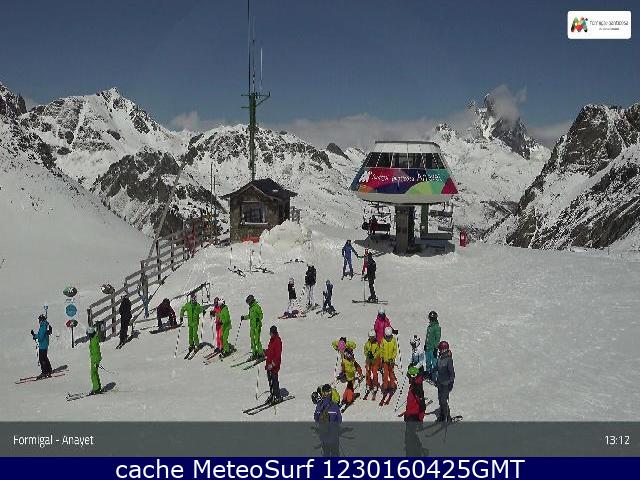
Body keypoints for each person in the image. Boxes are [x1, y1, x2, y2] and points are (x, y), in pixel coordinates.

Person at [313, 384, 342, 457]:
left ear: (322, 393)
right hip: (334, 436)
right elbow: (339, 420)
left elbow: (316, 418)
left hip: (323, 435)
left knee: (326, 454)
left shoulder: (319, 405)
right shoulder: (335, 405)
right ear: (330, 392)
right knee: (335, 454)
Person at [436, 340, 455, 423]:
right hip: (440, 382)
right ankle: (442, 415)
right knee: (440, 400)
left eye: (440, 349)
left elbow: (452, 373)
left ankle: (448, 417)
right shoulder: (440, 357)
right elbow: (437, 367)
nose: (439, 350)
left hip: (446, 384)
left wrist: (451, 383)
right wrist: (427, 373)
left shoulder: (448, 359)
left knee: (444, 401)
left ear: (444, 349)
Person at [264, 325, 283, 404]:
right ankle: (272, 394)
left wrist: (273, 364)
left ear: (274, 332)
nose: (270, 334)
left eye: (271, 333)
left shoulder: (278, 341)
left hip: (274, 366)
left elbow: (277, 355)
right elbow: (270, 350)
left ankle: (277, 396)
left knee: (274, 381)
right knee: (270, 381)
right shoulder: (272, 340)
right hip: (268, 364)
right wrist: (265, 352)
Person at [242, 295, 264, 360]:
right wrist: (244, 317)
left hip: (257, 326)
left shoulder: (256, 306)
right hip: (252, 326)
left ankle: (261, 353)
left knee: (257, 340)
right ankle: (254, 353)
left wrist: (258, 319)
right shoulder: (251, 308)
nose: (248, 303)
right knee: (252, 340)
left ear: (251, 301)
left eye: (248, 302)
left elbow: (261, 315)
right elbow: (250, 316)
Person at [31, 314, 52, 378]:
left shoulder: (43, 327)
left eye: (39, 320)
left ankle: (44, 372)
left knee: (42, 359)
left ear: (41, 320)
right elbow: (41, 334)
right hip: (45, 344)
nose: (39, 321)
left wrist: (36, 337)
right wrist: (35, 335)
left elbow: (40, 337)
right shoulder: (44, 326)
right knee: (45, 357)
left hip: (42, 345)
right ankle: (49, 370)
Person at [380, 326, 398, 395]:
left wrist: (392, 358)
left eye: (389, 336)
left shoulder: (393, 340)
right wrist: (382, 357)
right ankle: (385, 387)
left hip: (391, 361)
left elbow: (395, 350)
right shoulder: (383, 340)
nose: (388, 338)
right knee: (385, 375)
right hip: (385, 361)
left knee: (391, 374)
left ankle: (392, 386)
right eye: (387, 336)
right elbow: (381, 349)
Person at [424, 311, 441, 380]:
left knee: (434, 364)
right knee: (428, 362)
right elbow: (427, 337)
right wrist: (425, 344)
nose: (430, 319)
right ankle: (428, 374)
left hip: (433, 349)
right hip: (428, 348)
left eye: (432, 318)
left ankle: (434, 378)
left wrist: (436, 348)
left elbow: (437, 339)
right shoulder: (429, 326)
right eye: (430, 318)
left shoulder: (437, 327)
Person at [363, 330, 380, 395]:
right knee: (368, 373)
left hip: (374, 361)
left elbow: (378, 351)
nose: (371, 338)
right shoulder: (367, 344)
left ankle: (375, 385)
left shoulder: (376, 344)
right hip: (368, 361)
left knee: (375, 373)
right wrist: (367, 354)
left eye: (373, 337)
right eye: (370, 337)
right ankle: (368, 384)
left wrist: (374, 356)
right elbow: (365, 350)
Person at [87, 326, 102, 395]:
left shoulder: (94, 341)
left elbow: (96, 351)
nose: (88, 336)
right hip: (95, 359)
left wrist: (96, 361)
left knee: (93, 374)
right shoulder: (93, 338)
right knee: (95, 373)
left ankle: (96, 388)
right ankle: (98, 387)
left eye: (88, 334)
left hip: (95, 359)